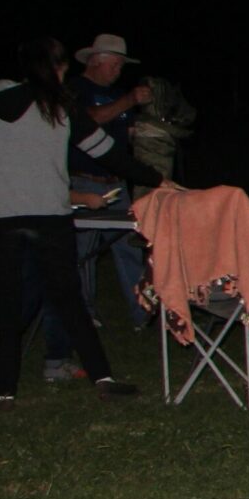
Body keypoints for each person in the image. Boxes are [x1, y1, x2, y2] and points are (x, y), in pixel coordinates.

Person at [0, 37, 142, 406]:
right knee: (68, 300)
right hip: (49, 215)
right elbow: (109, 155)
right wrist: (157, 179)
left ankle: (5, 391)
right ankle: (103, 378)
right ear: (61, 67)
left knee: (5, 303)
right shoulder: (60, 106)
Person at [72, 32, 157, 327]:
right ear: (96, 61)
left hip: (116, 182)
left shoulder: (116, 92)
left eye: (122, 65)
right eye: (115, 65)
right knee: (84, 251)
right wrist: (129, 99)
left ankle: (142, 312)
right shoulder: (75, 89)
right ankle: (84, 313)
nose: (119, 71)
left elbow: (129, 134)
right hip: (83, 181)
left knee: (131, 245)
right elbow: (89, 120)